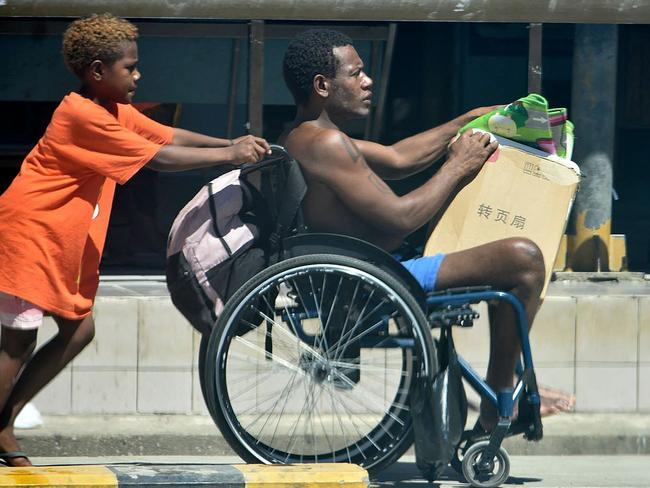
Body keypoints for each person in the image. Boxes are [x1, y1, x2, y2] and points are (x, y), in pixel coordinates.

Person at [0, 13, 271, 466]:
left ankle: (4, 419)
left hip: (57, 240)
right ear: (97, 72)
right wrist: (229, 154)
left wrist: (231, 140)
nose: (138, 75)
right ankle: (3, 427)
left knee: (78, 330)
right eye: (130, 67)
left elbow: (168, 134)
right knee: (17, 343)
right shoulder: (81, 115)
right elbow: (159, 158)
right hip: (30, 233)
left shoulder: (112, 111)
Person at [279, 29, 574, 433]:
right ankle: (499, 404)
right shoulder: (327, 144)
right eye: (356, 73)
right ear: (322, 85)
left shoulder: (304, 138)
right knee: (524, 259)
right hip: (379, 279)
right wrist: (457, 166)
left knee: (499, 257)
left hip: (373, 271)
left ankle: (514, 389)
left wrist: (467, 120)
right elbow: (401, 219)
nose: (368, 82)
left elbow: (400, 159)